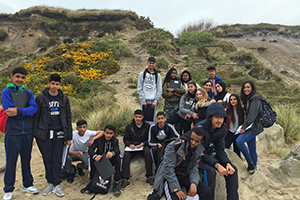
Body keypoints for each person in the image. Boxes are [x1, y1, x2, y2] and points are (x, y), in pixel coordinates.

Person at [1, 67, 39, 200]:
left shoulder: (28, 93)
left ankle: (27, 184)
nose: (20, 80)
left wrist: (19, 111)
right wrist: (24, 111)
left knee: (26, 159)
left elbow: (34, 108)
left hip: (27, 132)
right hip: (12, 132)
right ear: (12, 76)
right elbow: (9, 110)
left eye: (22, 77)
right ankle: (8, 189)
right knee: (11, 161)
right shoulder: (6, 92)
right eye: (17, 76)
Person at [33, 74, 72, 197]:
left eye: (57, 84)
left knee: (57, 159)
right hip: (44, 135)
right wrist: (35, 134)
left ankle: (57, 183)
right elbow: (36, 117)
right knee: (47, 159)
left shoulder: (64, 99)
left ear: (60, 85)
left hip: (59, 133)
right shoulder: (40, 98)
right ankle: (50, 182)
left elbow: (68, 117)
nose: (54, 86)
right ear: (48, 83)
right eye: (53, 83)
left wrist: (69, 137)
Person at [147, 127, 211, 200]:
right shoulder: (174, 146)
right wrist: (176, 189)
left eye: (196, 141)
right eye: (192, 139)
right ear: (189, 136)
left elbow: (194, 167)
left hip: (184, 175)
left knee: (207, 191)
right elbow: (168, 169)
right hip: (169, 177)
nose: (193, 143)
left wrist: (194, 183)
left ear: (200, 142)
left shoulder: (198, 150)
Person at [195, 102, 239, 200]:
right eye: (217, 117)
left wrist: (227, 163)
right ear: (210, 117)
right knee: (210, 172)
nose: (220, 120)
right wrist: (217, 165)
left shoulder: (222, 128)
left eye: (222, 117)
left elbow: (220, 149)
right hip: (196, 156)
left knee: (232, 170)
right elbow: (199, 153)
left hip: (209, 153)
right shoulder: (200, 128)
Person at [121, 109, 153, 189]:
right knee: (126, 155)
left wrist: (144, 143)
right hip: (132, 147)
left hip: (142, 145)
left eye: (139, 117)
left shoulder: (147, 126)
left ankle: (149, 176)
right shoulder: (129, 126)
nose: (138, 119)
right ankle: (125, 179)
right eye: (136, 117)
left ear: (142, 117)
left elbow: (149, 138)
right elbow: (125, 139)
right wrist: (129, 144)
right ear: (133, 117)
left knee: (148, 153)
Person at [236, 80, 263, 174]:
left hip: (254, 127)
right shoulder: (249, 99)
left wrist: (243, 127)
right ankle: (254, 167)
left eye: (248, 87)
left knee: (239, 141)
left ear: (252, 88)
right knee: (252, 148)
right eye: (244, 87)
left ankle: (250, 163)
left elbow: (252, 116)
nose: (246, 89)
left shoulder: (255, 99)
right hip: (251, 127)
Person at [88, 124, 121, 196]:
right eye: (107, 133)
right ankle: (92, 180)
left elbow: (117, 150)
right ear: (104, 132)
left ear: (113, 133)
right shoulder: (99, 139)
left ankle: (116, 182)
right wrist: (95, 156)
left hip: (110, 160)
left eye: (110, 133)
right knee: (92, 158)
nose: (108, 135)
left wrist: (112, 153)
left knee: (118, 158)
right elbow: (91, 149)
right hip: (100, 159)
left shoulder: (115, 140)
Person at [137, 57, 162, 125]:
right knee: (143, 119)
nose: (151, 64)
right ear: (147, 63)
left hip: (153, 101)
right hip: (144, 101)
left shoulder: (157, 75)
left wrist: (156, 100)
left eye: (153, 63)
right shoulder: (142, 74)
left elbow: (159, 89)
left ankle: (150, 134)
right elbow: (139, 87)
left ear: (155, 64)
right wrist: (143, 99)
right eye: (150, 63)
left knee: (152, 120)